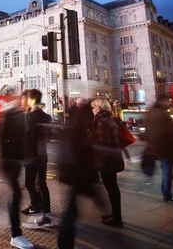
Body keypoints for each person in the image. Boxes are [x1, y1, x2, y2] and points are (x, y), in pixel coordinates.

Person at [58, 98, 104, 248]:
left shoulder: (73, 124)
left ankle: (65, 243)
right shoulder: (79, 129)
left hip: (73, 174)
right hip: (76, 174)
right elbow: (81, 154)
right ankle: (64, 244)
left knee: (71, 212)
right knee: (70, 214)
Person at [0, 91, 34, 249]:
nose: (23, 101)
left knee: (16, 195)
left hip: (17, 160)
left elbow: (23, 139)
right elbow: (2, 140)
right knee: (16, 195)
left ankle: (13, 230)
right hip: (11, 161)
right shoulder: (9, 115)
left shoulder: (21, 115)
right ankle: (15, 234)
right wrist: (6, 165)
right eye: (22, 99)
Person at [90, 98, 124, 227]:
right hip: (112, 159)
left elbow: (103, 144)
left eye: (94, 108)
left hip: (107, 161)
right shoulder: (110, 119)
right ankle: (115, 213)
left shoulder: (102, 122)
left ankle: (116, 217)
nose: (92, 110)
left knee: (112, 188)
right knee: (112, 188)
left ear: (99, 109)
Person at [22, 89, 54, 228]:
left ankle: (37, 205)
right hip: (42, 155)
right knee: (42, 183)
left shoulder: (29, 117)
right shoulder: (46, 116)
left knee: (29, 182)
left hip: (30, 155)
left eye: (27, 98)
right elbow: (49, 136)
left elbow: (26, 138)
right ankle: (46, 214)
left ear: (32, 100)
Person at [144, 94, 173, 202]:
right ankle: (167, 194)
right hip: (165, 147)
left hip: (154, 146)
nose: (169, 103)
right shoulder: (163, 114)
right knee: (167, 171)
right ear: (162, 101)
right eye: (167, 101)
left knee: (166, 170)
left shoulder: (149, 113)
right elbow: (169, 131)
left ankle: (166, 191)